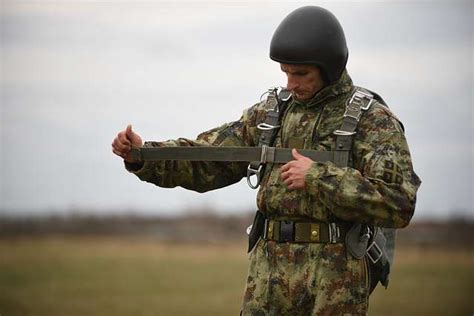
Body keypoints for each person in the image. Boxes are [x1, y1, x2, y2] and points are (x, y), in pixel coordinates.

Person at [112, 6, 421, 315]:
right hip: (268, 276)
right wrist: (143, 155)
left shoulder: (372, 120)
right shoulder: (271, 115)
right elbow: (209, 158)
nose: (290, 84)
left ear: (330, 69)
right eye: (286, 72)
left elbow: (398, 201)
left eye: (301, 74)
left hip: (334, 279)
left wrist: (317, 177)